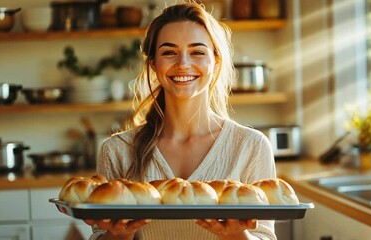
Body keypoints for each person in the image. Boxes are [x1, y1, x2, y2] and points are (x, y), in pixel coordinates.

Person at [86, 1, 277, 240]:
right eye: (169, 52)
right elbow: (101, 234)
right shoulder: (117, 151)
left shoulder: (251, 146)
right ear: (153, 63)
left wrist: (236, 236)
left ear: (215, 60)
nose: (183, 64)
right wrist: (119, 235)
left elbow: (265, 237)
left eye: (197, 52)